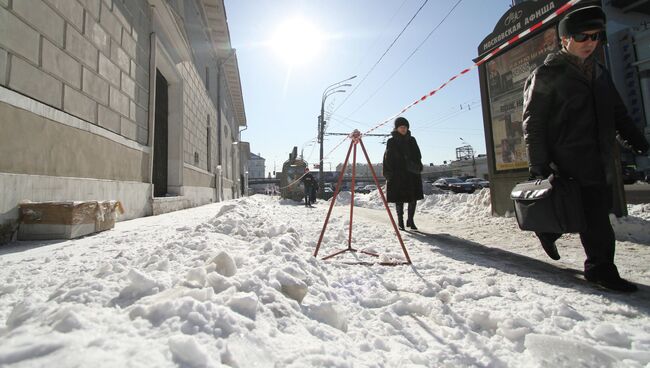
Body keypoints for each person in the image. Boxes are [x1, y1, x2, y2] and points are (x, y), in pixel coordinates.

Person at [522, 6, 649, 292]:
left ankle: (549, 229)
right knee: (592, 215)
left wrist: (637, 141)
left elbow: (619, 114)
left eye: (596, 36)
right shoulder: (547, 73)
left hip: (599, 156)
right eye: (582, 36)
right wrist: (538, 164)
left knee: (587, 211)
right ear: (564, 39)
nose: (590, 42)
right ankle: (601, 269)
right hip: (565, 157)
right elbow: (534, 123)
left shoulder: (601, 74)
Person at [383, 117, 424, 230]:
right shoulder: (391, 141)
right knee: (399, 199)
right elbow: (387, 158)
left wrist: (416, 166)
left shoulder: (412, 140)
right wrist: (389, 173)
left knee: (413, 199)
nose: (403, 129)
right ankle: (400, 221)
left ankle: (410, 220)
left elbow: (418, 155)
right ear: (396, 128)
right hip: (398, 175)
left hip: (412, 174)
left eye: (405, 127)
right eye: (401, 127)